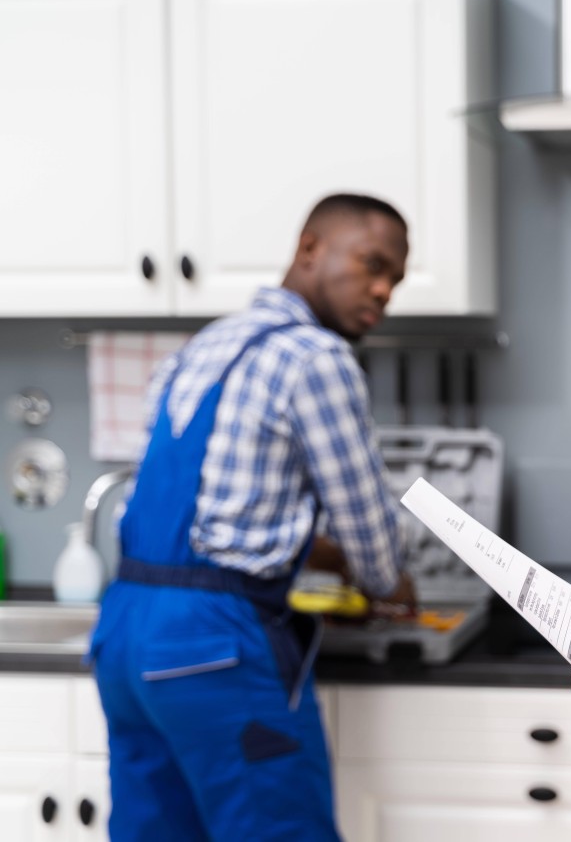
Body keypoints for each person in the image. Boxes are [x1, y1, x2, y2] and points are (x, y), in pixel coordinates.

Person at [88, 193, 415, 840]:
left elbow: (204, 514)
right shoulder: (317, 358)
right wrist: (391, 584)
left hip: (123, 636)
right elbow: (370, 532)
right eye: (373, 264)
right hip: (211, 648)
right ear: (310, 249)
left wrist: (314, 552)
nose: (382, 289)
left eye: (396, 279)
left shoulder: (201, 347)